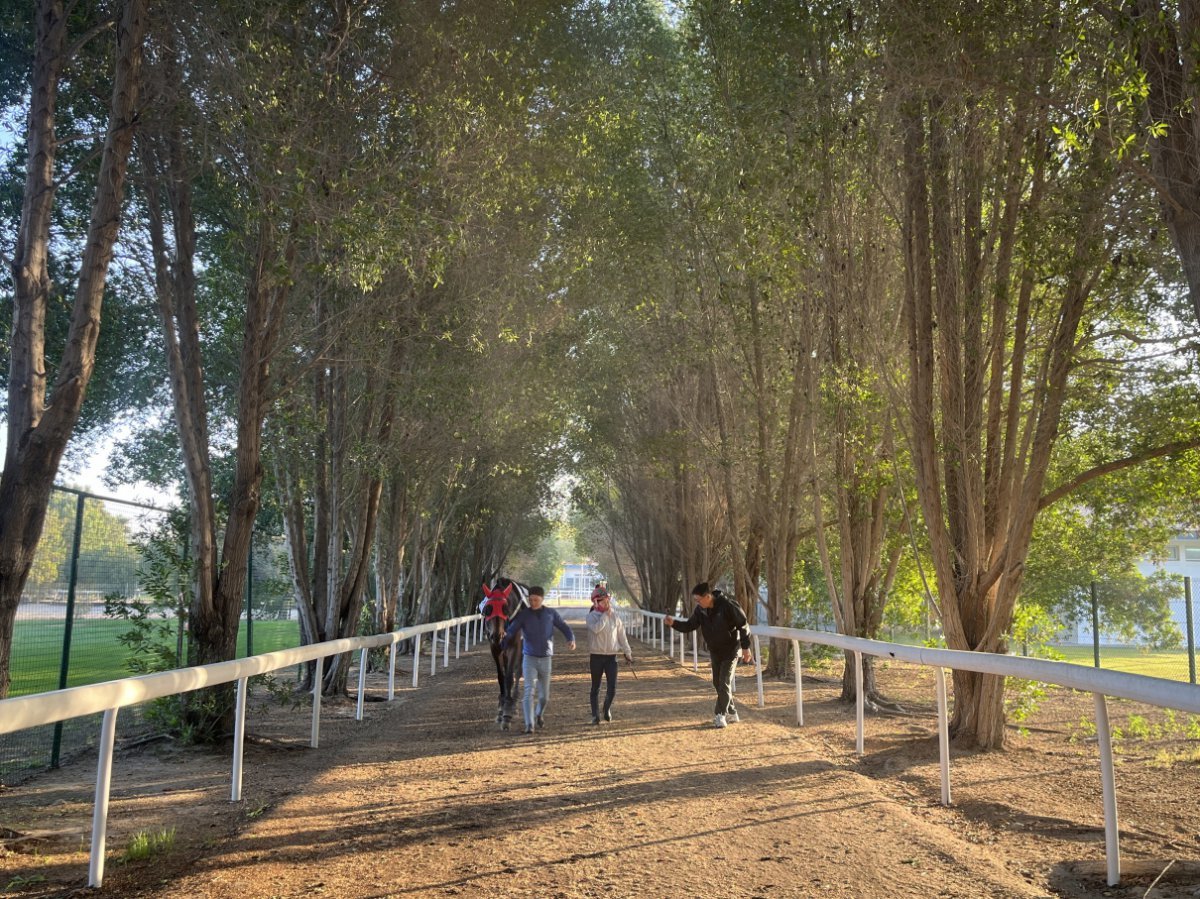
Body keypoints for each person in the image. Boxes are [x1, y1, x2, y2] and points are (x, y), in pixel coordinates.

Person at [664, 582, 752, 729]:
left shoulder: (727, 605)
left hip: (730, 650)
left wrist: (745, 648)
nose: (697, 603)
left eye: (699, 600)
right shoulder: (700, 611)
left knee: (724, 682)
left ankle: (720, 715)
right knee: (717, 683)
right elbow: (690, 625)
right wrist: (674, 623)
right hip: (715, 651)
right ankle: (732, 711)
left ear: (708, 596)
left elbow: (743, 624)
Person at [500, 585, 576, 734]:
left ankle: (539, 713)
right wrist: (502, 643)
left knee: (544, 697)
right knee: (529, 691)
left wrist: (571, 638)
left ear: (542, 599)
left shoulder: (550, 614)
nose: (533, 602)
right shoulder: (524, 615)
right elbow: (511, 630)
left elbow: (564, 627)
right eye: (531, 600)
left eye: (536, 600)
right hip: (529, 658)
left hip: (546, 659)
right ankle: (530, 724)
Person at [585, 585, 633, 725]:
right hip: (596, 657)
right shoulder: (591, 617)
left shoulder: (616, 617)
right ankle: (595, 715)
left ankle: (606, 708)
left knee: (612, 687)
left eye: (607, 601)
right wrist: (606, 616)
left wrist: (627, 652)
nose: (606, 604)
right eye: (603, 601)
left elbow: (622, 637)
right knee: (596, 687)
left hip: (612, 657)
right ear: (596, 602)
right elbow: (596, 629)